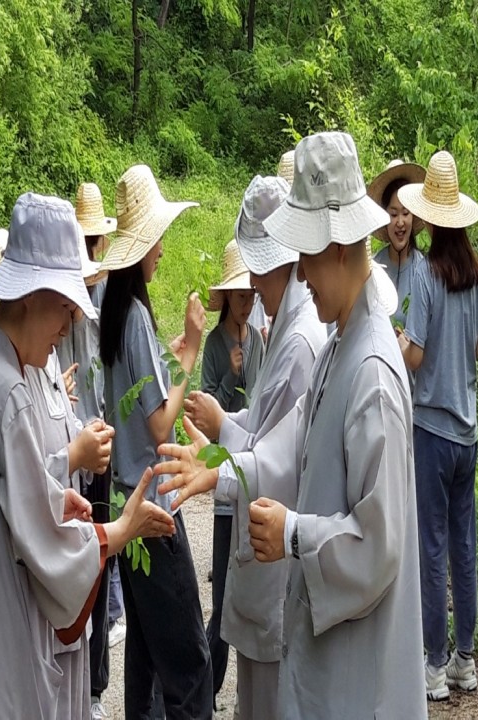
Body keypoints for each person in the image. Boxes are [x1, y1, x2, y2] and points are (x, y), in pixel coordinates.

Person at [155, 132, 428, 719]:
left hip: (359, 666)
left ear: (339, 246)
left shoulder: (373, 373)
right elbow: (288, 447)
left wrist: (295, 533)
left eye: (305, 255)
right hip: (330, 649)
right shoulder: (339, 348)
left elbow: (378, 545)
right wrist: (218, 470)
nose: (299, 274)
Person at [0, 192, 175, 720]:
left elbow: (11, 496)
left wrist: (52, 496)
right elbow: (43, 542)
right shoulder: (10, 393)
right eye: (65, 308)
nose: (68, 327)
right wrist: (121, 530)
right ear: (30, 296)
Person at [184, 173, 327, 719]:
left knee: (269, 699)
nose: (253, 286)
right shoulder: (285, 324)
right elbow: (267, 424)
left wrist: (218, 450)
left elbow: (280, 459)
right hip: (263, 548)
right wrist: (224, 426)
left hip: (274, 554)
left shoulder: (300, 340)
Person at [99, 165, 213, 719]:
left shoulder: (111, 311)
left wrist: (173, 359)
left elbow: (137, 400)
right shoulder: (135, 317)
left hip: (126, 500)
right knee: (190, 665)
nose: (163, 250)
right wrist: (191, 347)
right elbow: (161, 425)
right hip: (156, 506)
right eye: (158, 239)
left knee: (144, 658)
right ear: (142, 245)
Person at [396, 150, 478, 701]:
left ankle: (431, 665)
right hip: (467, 433)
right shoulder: (476, 275)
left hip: (430, 430)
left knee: (430, 548)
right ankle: (465, 661)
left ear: (430, 216)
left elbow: (417, 355)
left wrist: (395, 340)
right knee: (463, 547)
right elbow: (477, 348)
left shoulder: (426, 275)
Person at [59, 182, 121, 720]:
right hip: (70, 450)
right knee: (74, 564)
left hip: (95, 443)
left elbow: (103, 377)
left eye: (91, 240)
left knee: (99, 563)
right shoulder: (57, 311)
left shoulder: (99, 300)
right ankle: (76, 684)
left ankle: (95, 686)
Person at [201, 237, 265, 708]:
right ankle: (206, 689)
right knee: (222, 596)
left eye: (251, 295)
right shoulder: (213, 345)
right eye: (240, 296)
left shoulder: (259, 340)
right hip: (225, 477)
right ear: (227, 298)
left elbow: (261, 403)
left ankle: (241, 691)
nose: (247, 304)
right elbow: (207, 406)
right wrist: (228, 375)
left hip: (252, 471)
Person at [368, 160, 426, 329]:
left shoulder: (423, 271)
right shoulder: (373, 269)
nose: (400, 222)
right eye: (393, 215)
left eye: (405, 213)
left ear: (413, 216)